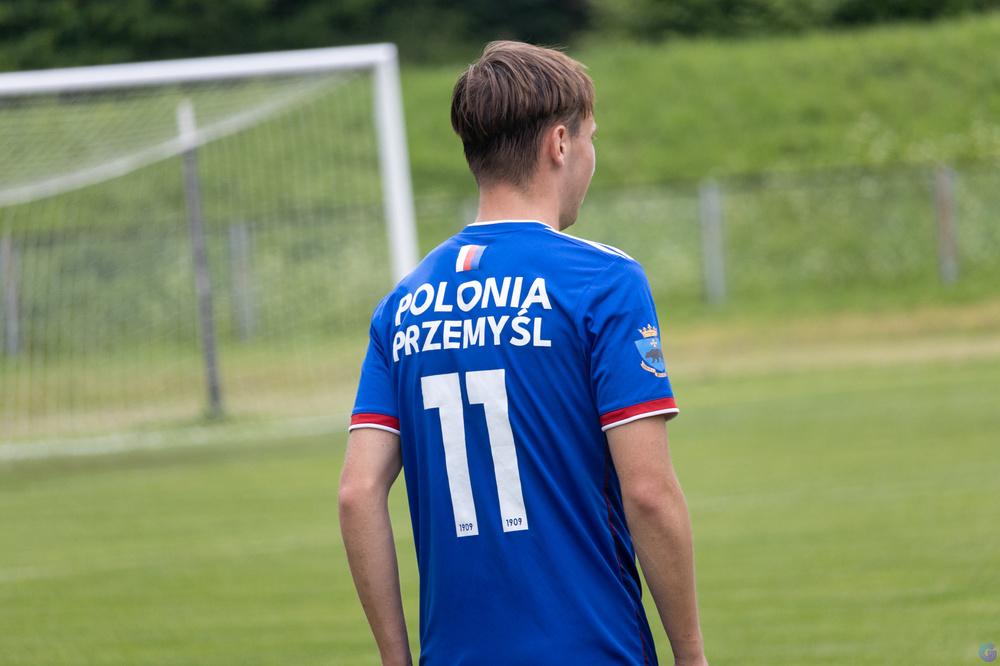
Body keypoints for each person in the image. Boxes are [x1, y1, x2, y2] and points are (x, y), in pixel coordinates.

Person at [339, 40, 708, 666]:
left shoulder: (402, 305)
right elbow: (648, 492)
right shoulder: (602, 282)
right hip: (591, 648)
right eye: (591, 137)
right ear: (560, 143)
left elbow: (357, 492)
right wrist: (692, 656)